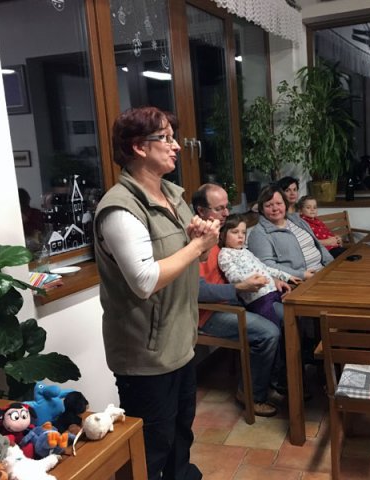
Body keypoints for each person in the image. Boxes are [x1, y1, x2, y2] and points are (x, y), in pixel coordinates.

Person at [94, 106, 219, 480]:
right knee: (151, 446)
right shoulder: (119, 208)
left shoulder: (173, 196)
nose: (177, 146)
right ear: (138, 147)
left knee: (181, 433)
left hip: (180, 341)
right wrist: (196, 246)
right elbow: (145, 280)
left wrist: (198, 240)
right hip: (145, 355)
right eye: (165, 138)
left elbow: (190, 258)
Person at [192, 183, 282, 417]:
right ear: (201, 211)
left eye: (226, 208)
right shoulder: (195, 241)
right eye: (219, 209)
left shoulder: (217, 237)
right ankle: (252, 395)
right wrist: (238, 288)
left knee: (284, 316)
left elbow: (245, 265)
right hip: (209, 313)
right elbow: (199, 292)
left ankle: (275, 381)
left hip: (233, 302)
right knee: (268, 333)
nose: (225, 213)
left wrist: (272, 278)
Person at [218, 214, 297, 328]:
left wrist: (286, 276)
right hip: (259, 300)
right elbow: (233, 276)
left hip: (274, 292)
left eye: (243, 232)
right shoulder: (225, 254)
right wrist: (250, 279)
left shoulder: (245, 251)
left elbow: (264, 268)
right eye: (235, 232)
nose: (240, 236)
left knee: (296, 312)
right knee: (288, 318)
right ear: (222, 235)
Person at [248, 184, 334, 280]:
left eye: (279, 203)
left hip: (323, 271)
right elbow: (266, 265)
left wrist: (331, 265)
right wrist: (301, 274)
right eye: (268, 205)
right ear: (261, 209)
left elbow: (318, 245)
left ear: (285, 204)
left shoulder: (297, 220)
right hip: (299, 281)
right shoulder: (258, 234)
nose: (275, 208)